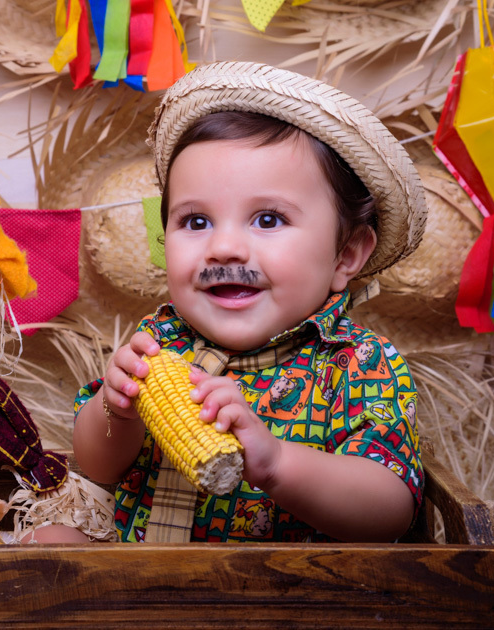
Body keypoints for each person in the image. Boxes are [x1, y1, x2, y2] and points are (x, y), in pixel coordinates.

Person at [73, 61, 428, 544]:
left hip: (284, 598)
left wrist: (278, 463)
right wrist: (114, 413)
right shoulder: (159, 341)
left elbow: (390, 510)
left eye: (267, 219)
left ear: (345, 255)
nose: (224, 248)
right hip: (141, 591)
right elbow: (96, 467)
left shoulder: (358, 364)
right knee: (54, 540)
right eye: (196, 222)